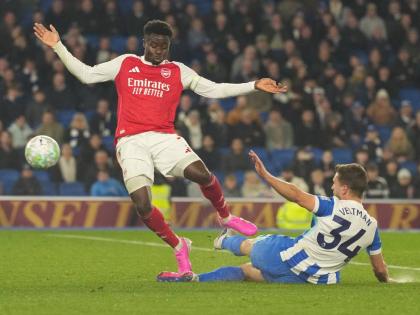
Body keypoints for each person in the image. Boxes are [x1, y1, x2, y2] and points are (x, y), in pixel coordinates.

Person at [34, 20, 286, 276]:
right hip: (131, 141)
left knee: (202, 174)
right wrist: (58, 47)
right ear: (144, 43)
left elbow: (214, 89)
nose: (158, 51)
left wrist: (253, 85)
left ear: (169, 46)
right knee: (143, 205)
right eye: (154, 45)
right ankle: (179, 245)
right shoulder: (125, 63)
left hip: (164, 137)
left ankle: (225, 216)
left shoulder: (178, 70)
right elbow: (87, 74)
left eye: (163, 47)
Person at [158, 150, 391, 284]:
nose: (332, 187)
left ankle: (222, 241)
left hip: (286, 255)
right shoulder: (372, 227)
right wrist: (388, 281)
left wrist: (266, 175)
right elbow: (380, 271)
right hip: (314, 280)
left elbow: (297, 195)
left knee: (251, 245)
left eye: (334, 183)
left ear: (345, 189)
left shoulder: (332, 206)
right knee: (248, 272)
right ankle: (196, 279)